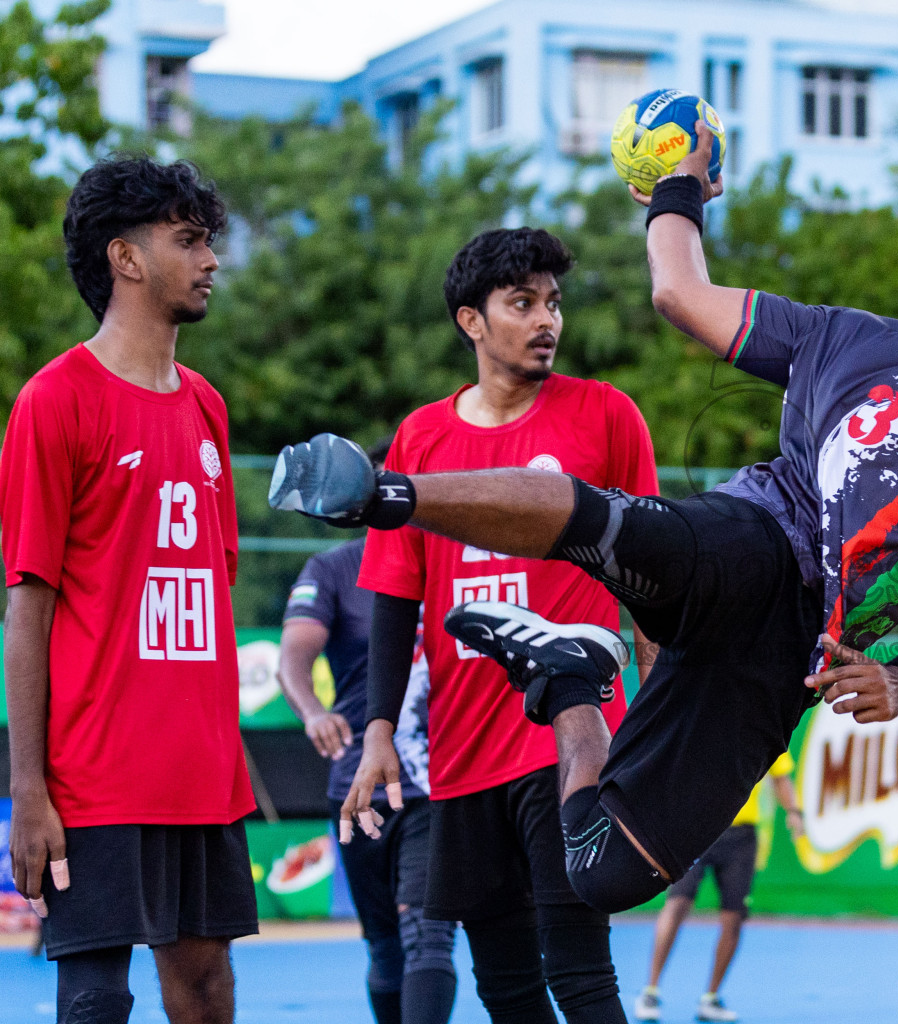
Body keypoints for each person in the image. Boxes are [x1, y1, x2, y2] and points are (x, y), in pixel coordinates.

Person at [267, 126, 898, 915]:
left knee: (604, 871)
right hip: (759, 536)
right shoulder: (844, 334)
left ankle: (568, 682)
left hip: (797, 651)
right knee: (605, 523)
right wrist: (680, 183)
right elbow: (679, 290)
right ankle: (381, 493)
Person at [338, 227, 657, 1024]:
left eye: (553, 302)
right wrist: (379, 731)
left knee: (580, 973)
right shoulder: (421, 439)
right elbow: (392, 595)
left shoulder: (606, 415)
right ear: (470, 322)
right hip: (463, 751)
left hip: (571, 738)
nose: (547, 319)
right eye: (522, 303)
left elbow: (656, 576)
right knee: (505, 988)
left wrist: (661, 706)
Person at [1, 157, 255, 1024]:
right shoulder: (53, 400)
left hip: (200, 773)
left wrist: (229, 750)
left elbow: (213, 593)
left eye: (209, 241)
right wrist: (28, 789)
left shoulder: (209, 408)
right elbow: (26, 609)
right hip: (96, 776)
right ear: (127, 258)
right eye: (189, 240)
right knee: (96, 997)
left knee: (206, 986)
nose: (211, 259)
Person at [276, 487, 457, 1024]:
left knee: (428, 934)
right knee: (384, 945)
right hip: (360, 784)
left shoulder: (455, 563)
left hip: (440, 782)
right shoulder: (333, 568)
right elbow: (293, 655)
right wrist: (312, 711)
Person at [635, 752, 803, 1023]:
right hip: (695, 829)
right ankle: (650, 991)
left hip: (741, 837)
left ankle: (710, 998)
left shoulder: (766, 726)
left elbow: (780, 777)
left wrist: (794, 813)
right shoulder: (702, 718)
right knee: (677, 903)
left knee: (734, 917)